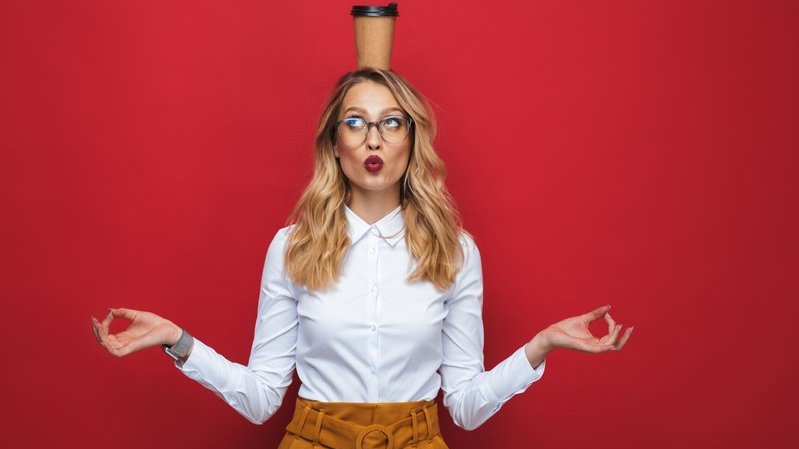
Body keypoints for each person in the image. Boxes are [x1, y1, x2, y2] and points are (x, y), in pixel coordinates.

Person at [91, 67, 633, 449]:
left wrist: (541, 348)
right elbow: (260, 399)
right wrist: (176, 341)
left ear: (412, 139)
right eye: (355, 122)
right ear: (334, 143)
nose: (373, 137)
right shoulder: (293, 248)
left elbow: (465, 409)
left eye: (391, 122)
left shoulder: (455, 252)